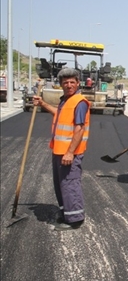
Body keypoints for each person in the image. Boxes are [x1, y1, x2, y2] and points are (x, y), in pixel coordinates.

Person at [32, 68, 90, 231]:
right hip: (59, 151)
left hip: (70, 152)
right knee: (60, 184)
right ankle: (66, 212)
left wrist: (70, 152)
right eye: (65, 82)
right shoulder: (66, 100)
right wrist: (42, 103)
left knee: (70, 184)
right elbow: (58, 115)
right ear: (61, 84)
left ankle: (75, 219)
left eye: (72, 82)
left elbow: (79, 129)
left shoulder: (79, 102)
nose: (69, 85)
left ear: (78, 83)